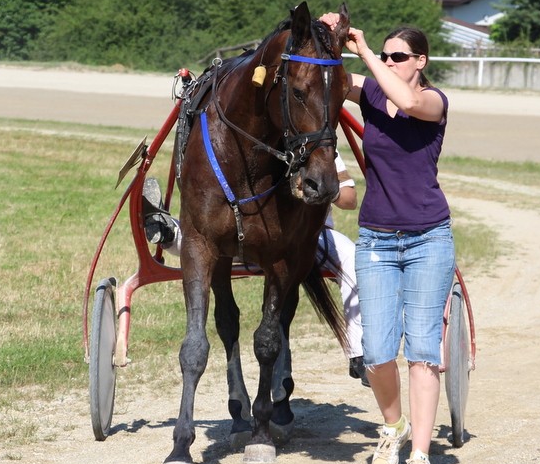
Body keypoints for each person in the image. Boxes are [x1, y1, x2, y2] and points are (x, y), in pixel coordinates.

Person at [320, 13, 456, 464]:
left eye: (398, 56)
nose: (389, 62)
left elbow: (405, 98)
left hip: (428, 238)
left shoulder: (432, 101)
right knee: (377, 351)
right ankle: (393, 427)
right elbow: (324, 73)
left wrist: (367, 56)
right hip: (376, 239)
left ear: (420, 61)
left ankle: (420, 454)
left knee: (422, 349)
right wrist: (332, 36)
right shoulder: (376, 89)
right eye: (386, 55)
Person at [141, 153, 369, 387]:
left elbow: (350, 199)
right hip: (253, 240)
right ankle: (169, 233)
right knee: (201, 243)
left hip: (306, 239)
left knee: (353, 258)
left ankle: (359, 354)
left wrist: (323, 189)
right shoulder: (261, 148)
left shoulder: (321, 148)